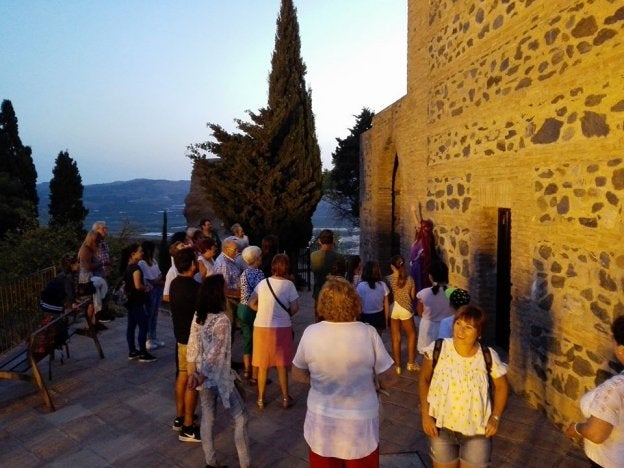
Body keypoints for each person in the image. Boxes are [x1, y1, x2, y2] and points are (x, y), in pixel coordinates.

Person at [292, 276, 398, 466]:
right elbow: (390, 376)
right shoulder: (368, 333)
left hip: (322, 420)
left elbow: (297, 373)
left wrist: (319, 380)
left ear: (323, 303)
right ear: (354, 302)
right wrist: (373, 383)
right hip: (360, 422)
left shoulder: (311, 332)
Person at [419, 305, 509, 468]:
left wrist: (495, 417)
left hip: (477, 431)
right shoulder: (438, 348)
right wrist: (426, 414)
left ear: (479, 333)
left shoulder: (488, 356)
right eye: (458, 323)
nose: (461, 331)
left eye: (468, 327)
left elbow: (502, 387)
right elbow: (424, 379)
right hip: (441, 428)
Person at [187, 274, 251, 468]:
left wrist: (194, 374)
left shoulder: (199, 314)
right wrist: (200, 375)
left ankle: (210, 461)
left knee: (208, 417)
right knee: (241, 416)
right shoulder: (222, 320)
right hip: (218, 378)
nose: (226, 291)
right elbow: (216, 353)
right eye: (224, 288)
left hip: (202, 379)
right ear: (218, 293)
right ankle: (245, 463)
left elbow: (192, 344)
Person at [565, 315, 624, 467]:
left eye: (613, 340)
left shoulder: (615, 388)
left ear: (621, 350)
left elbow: (596, 434)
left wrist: (577, 429)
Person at [249, 253, 299, 409]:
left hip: (262, 326)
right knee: (281, 365)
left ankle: (260, 399)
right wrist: (285, 314)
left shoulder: (263, 283)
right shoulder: (289, 285)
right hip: (281, 327)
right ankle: (285, 398)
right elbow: (295, 307)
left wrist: (261, 311)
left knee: (263, 365)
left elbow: (251, 302)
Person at [168, 247, 201, 442]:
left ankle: (180, 417)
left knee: (181, 376)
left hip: (180, 338)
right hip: (192, 342)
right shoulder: (196, 289)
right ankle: (188, 427)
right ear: (191, 265)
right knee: (192, 382)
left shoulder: (173, 284)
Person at [120, 242, 156, 362]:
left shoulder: (128, 267)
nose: (142, 253)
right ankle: (143, 353)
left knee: (131, 326)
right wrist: (146, 287)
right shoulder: (136, 268)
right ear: (133, 254)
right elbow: (137, 286)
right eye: (140, 251)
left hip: (130, 301)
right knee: (143, 325)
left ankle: (132, 351)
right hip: (137, 301)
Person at [237, 245, 265, 383]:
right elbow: (261, 293)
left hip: (242, 308)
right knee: (256, 342)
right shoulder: (259, 273)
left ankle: (247, 370)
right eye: (260, 256)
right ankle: (255, 375)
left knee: (247, 340)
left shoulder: (244, 273)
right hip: (252, 309)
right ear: (256, 259)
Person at [387, 255, 419, 374]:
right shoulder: (410, 279)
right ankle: (411, 363)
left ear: (392, 266)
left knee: (396, 337)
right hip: (406, 309)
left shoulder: (388, 279)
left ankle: (398, 366)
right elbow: (412, 296)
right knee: (411, 334)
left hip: (393, 309)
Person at [416, 262, 453, 353]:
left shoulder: (423, 293)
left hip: (429, 328)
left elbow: (420, 312)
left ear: (430, 277)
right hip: (447, 328)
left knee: (428, 356)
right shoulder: (453, 293)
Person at [311, 229, 344, 319]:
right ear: (333, 241)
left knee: (319, 321)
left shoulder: (313, 256)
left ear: (319, 241)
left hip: (319, 292)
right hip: (335, 293)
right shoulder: (339, 257)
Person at [139, 240, 165, 350]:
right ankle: (147, 339)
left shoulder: (153, 261)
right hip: (150, 291)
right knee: (149, 315)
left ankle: (153, 337)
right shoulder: (142, 263)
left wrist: (158, 279)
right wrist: (158, 280)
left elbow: (159, 274)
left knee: (154, 315)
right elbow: (152, 279)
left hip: (157, 289)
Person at [213, 238, 245, 325]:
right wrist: (242, 294)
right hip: (230, 302)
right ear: (226, 249)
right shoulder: (223, 264)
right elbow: (224, 289)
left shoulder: (230, 259)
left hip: (234, 299)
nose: (237, 252)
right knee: (230, 328)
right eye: (235, 249)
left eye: (238, 249)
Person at [356, 260, 390, 336]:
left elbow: (358, 305)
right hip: (379, 316)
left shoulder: (361, 286)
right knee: (378, 338)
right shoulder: (382, 285)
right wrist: (386, 318)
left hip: (365, 316)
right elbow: (386, 304)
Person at [410, 220, 435, 292]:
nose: (416, 228)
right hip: (414, 266)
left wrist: (415, 260)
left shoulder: (425, 242)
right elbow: (418, 225)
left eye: (418, 228)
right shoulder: (419, 238)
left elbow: (423, 255)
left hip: (419, 267)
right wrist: (413, 212)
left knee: (418, 287)